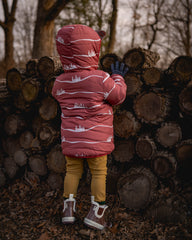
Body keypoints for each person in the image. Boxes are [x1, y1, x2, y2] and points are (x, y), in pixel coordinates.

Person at [52, 24, 128, 230]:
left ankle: (68, 209)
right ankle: (97, 213)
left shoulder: (59, 82)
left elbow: (57, 95)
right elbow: (118, 96)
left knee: (72, 171)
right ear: (92, 50)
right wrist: (118, 78)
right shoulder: (101, 79)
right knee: (98, 173)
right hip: (97, 141)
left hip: (72, 139)